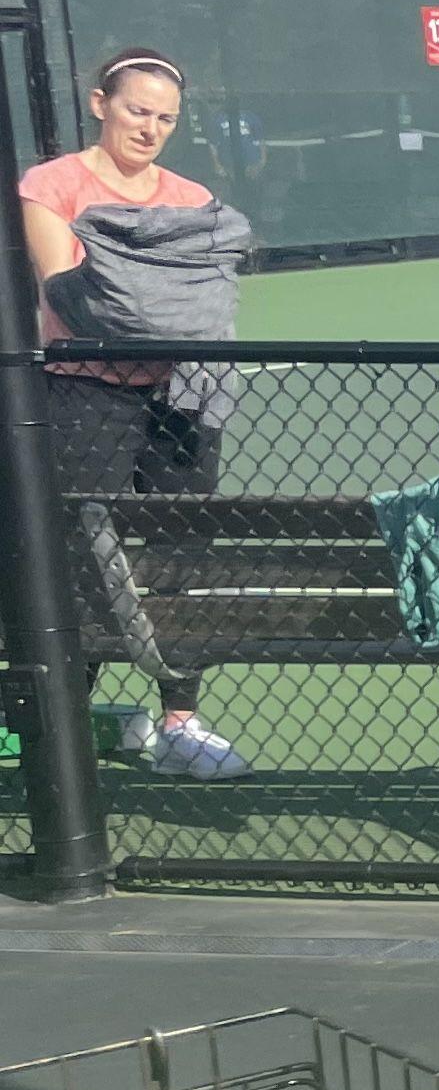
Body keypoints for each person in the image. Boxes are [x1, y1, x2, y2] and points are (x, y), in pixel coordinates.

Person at [17, 46, 253, 781]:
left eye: (165, 118)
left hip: (182, 398)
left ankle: (181, 721)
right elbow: (68, 294)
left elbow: (210, 304)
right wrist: (158, 297)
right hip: (84, 393)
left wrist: (137, 290)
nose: (149, 128)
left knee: (182, 557)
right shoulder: (51, 184)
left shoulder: (192, 199)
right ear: (100, 104)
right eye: (136, 110)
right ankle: (58, 726)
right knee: (78, 560)